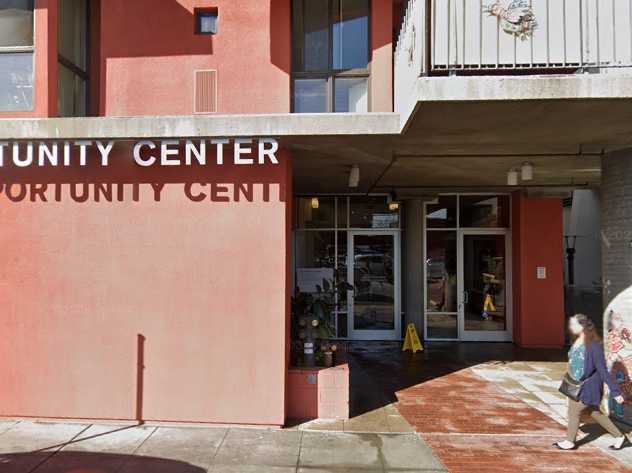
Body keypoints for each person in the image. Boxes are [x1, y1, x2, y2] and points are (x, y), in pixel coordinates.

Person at [554, 314, 628, 451]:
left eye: (573, 324)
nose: (570, 327)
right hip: (575, 384)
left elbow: (602, 370)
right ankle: (620, 437)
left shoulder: (594, 346)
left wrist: (616, 391)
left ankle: (570, 441)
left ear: (582, 326)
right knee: (594, 413)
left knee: (574, 412)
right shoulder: (577, 341)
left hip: (588, 387)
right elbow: (574, 363)